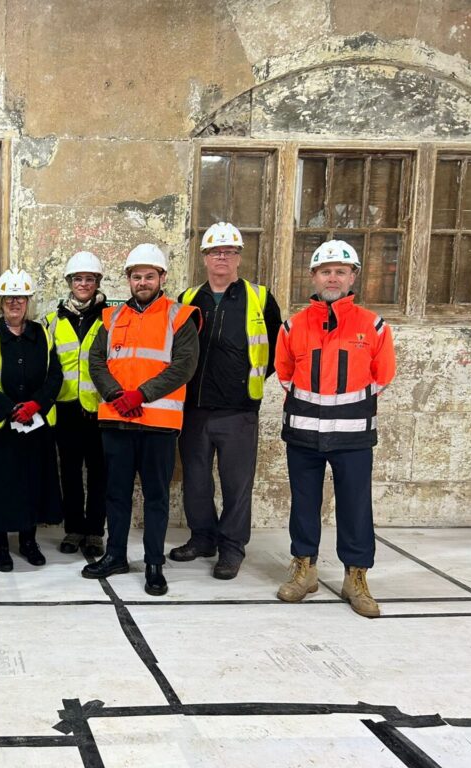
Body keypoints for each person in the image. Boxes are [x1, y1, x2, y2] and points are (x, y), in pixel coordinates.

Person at [275, 240, 395, 618]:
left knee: (356, 506)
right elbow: (284, 372)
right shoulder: (293, 324)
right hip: (303, 434)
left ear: (352, 276)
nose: (332, 277)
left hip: (354, 436)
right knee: (304, 504)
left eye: (340, 271)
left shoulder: (373, 325)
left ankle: (355, 578)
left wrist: (347, 406)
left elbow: (383, 375)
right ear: (313, 276)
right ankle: (304, 570)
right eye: (325, 271)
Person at [81, 244, 199, 596]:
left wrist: (140, 395)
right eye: (136, 276)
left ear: (162, 277)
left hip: (158, 425)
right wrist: (118, 396)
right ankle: (115, 554)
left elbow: (184, 366)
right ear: (129, 280)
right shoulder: (112, 317)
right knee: (115, 494)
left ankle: (153, 565)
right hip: (116, 422)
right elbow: (96, 361)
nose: (142, 281)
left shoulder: (180, 316)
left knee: (156, 497)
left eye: (149, 275)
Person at [169, 222, 282, 580]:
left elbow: (277, 351)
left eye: (229, 251)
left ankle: (231, 549)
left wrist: (243, 383)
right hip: (195, 409)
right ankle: (202, 538)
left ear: (238, 257)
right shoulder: (187, 300)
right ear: (204, 257)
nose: (222, 256)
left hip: (238, 410)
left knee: (237, 483)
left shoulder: (260, 298)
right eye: (215, 251)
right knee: (197, 480)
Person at [0, 269, 63, 572]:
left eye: (20, 297)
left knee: (30, 483)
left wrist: (36, 404)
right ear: (1, 301)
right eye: (9, 298)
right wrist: (9, 409)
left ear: (28, 301)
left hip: (34, 425)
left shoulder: (42, 334)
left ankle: (28, 541)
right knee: (0, 487)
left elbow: (55, 375)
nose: (15, 303)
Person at [44, 251, 109, 558]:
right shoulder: (52, 321)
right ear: (69, 282)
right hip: (66, 409)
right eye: (78, 279)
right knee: (69, 473)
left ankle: (95, 532)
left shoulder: (111, 318)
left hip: (100, 409)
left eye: (90, 279)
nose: (83, 284)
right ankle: (74, 529)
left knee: (99, 474)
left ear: (97, 282)